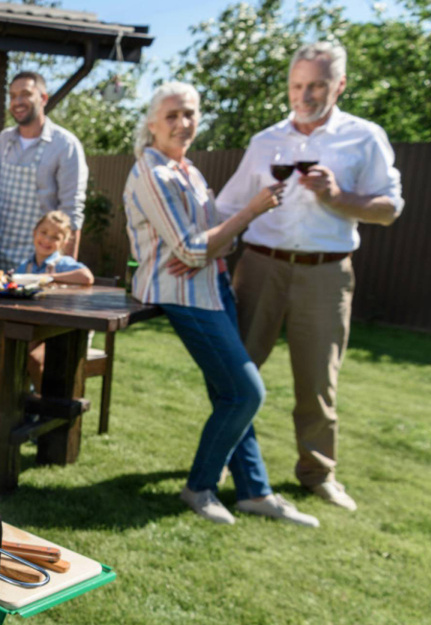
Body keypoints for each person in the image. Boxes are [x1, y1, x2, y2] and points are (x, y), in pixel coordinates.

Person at [216, 42, 403, 512]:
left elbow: (389, 208)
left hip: (325, 273)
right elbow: (226, 205)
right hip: (259, 267)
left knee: (318, 382)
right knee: (237, 371)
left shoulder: (364, 137)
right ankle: (218, 457)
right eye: (298, 85)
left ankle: (317, 472)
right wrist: (209, 247)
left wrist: (338, 197)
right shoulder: (266, 141)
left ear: (339, 85)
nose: (305, 95)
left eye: (317, 84)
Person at [124, 81, 319, 527]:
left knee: (231, 394)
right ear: (152, 123)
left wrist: (207, 248)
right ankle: (199, 486)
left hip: (214, 288)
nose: (182, 122)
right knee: (247, 392)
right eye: (171, 115)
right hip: (184, 296)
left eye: (189, 113)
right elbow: (194, 251)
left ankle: (255, 492)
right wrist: (248, 213)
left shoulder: (189, 171)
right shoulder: (152, 174)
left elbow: (212, 246)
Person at [0, 71, 87, 272]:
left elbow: (71, 211)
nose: (17, 102)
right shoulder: (4, 140)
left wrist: (65, 268)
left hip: (36, 261)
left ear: (44, 98)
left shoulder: (65, 145)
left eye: (25, 94)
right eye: (12, 96)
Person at [19, 211, 95, 392]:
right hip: (37, 326)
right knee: (10, 351)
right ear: (34, 232)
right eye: (43, 233)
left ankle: (44, 405)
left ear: (64, 242)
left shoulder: (62, 263)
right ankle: (19, 403)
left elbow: (86, 276)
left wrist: (50, 277)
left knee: (34, 359)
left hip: (63, 330)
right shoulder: (26, 266)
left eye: (55, 237)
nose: (47, 240)